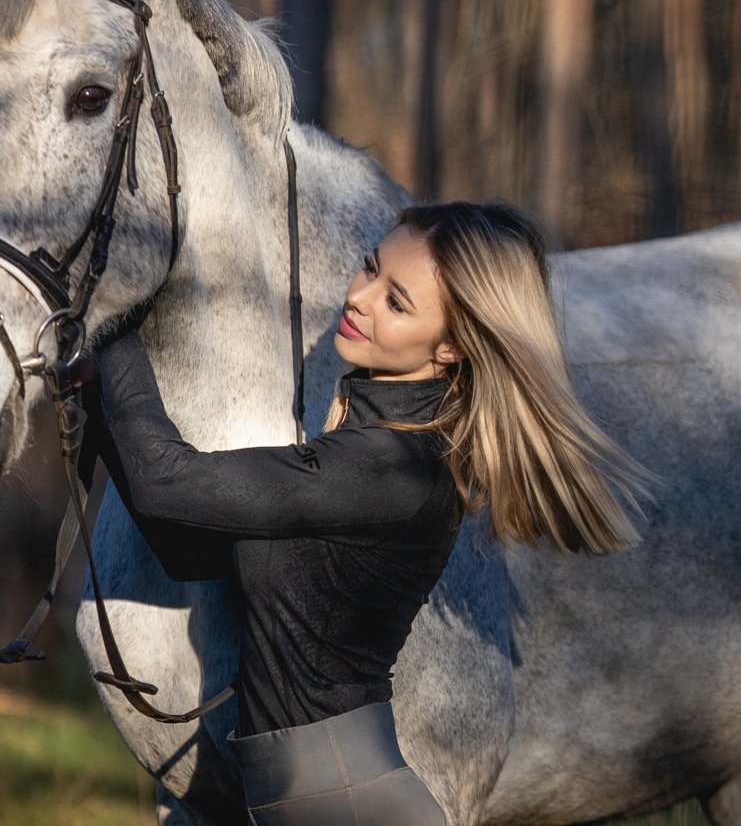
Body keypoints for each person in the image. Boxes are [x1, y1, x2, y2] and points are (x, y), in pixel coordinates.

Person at [90, 200, 649, 826]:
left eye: (397, 302)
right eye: (369, 269)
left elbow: (169, 484)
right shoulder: (374, 445)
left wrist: (109, 313)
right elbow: (183, 539)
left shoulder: (394, 464)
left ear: (451, 350)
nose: (360, 298)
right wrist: (94, 379)